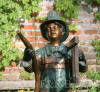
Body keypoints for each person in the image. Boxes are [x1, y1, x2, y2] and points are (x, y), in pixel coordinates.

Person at [22, 10, 87, 92]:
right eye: (49, 28)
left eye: (55, 27)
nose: (52, 30)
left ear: (62, 31)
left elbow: (83, 69)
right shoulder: (41, 53)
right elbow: (30, 68)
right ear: (46, 33)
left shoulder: (69, 52)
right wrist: (27, 58)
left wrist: (81, 58)